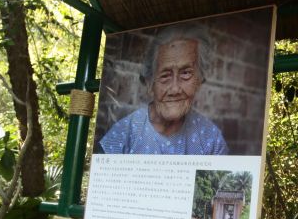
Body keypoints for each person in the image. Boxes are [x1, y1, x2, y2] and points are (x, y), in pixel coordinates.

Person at [98, 25, 229, 155]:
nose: (175, 89)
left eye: (186, 73)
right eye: (165, 75)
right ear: (150, 83)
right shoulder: (125, 133)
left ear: (199, 81)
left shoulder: (211, 140)